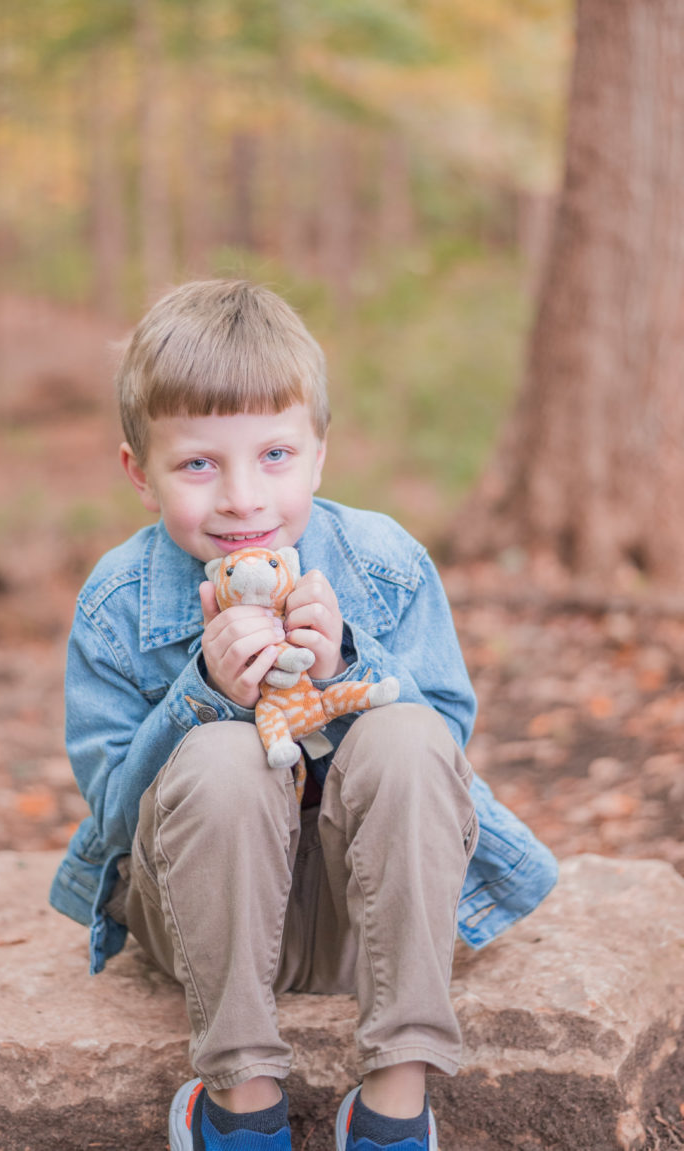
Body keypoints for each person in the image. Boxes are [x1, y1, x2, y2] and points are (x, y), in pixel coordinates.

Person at [50, 279, 558, 1151]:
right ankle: (240, 1108)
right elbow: (112, 820)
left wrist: (353, 665)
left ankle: (395, 1106)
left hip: (370, 921)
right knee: (218, 755)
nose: (244, 498)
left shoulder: (386, 565)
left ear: (320, 454)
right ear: (141, 473)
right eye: (199, 463)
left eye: (275, 455)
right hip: (202, 926)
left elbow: (444, 758)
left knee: (403, 732)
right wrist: (203, 696)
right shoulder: (115, 604)